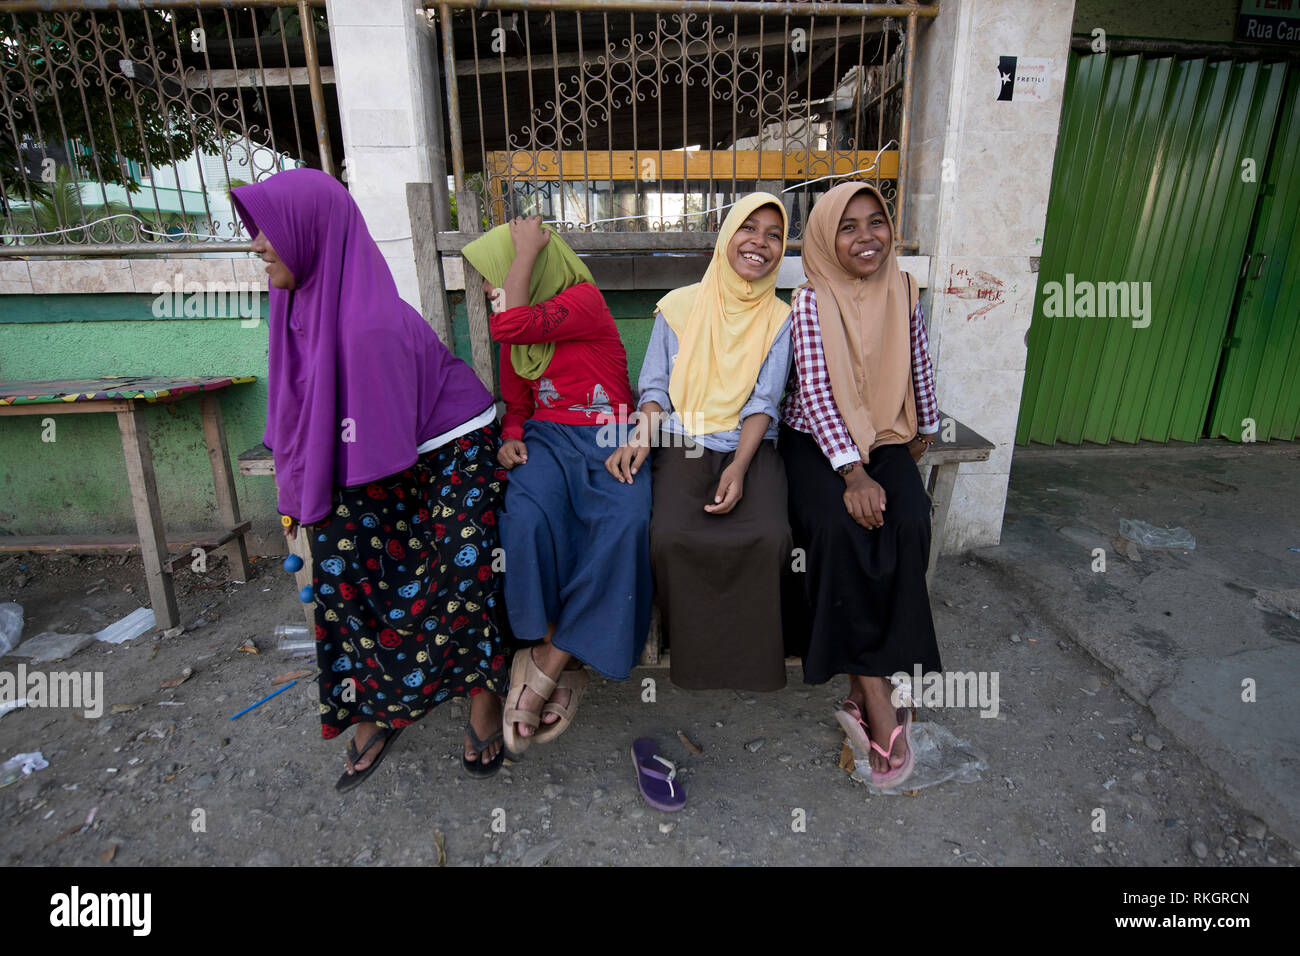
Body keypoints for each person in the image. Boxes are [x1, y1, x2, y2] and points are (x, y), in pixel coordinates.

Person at [230, 168, 511, 789]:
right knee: (339, 562)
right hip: (378, 454)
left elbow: (379, 457)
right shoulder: (294, 302)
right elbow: (307, 417)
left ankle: (481, 692)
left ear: (308, 233)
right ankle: (375, 705)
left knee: (460, 562)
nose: (255, 245)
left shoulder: (369, 328)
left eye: (264, 231)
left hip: (450, 447)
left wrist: (328, 502)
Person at [462, 216, 649, 761]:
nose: (493, 292)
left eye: (495, 278)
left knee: (627, 519)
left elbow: (512, 323)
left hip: (611, 432)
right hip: (547, 438)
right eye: (492, 282)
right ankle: (554, 645)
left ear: (535, 265)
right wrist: (511, 437)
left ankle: (551, 659)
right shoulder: (522, 341)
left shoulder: (583, 299)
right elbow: (517, 402)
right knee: (524, 514)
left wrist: (524, 251)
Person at [779, 180, 942, 788]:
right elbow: (818, 396)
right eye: (848, 227)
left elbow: (918, 361)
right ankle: (874, 694)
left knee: (910, 518)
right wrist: (852, 473)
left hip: (886, 432)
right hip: (817, 439)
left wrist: (924, 425)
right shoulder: (809, 301)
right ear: (826, 238)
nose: (867, 236)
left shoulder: (903, 287)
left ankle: (869, 678)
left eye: (876, 222)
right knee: (834, 525)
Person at [607, 193, 793, 692]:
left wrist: (738, 466)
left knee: (770, 537)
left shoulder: (780, 318)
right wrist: (642, 439)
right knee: (669, 537)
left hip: (749, 444)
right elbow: (655, 389)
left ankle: (751, 666)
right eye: (748, 228)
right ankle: (693, 661)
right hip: (682, 439)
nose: (760, 242)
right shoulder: (679, 307)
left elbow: (763, 401)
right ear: (727, 235)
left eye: (774, 234)